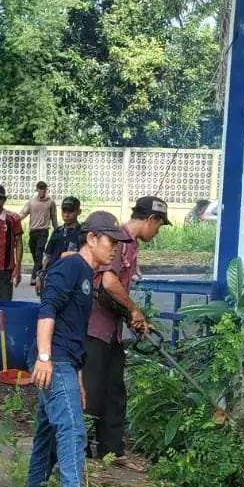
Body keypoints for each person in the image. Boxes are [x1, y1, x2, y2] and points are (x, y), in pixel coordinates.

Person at [21, 211, 129, 487]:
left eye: (118, 244)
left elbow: (74, 332)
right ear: (91, 238)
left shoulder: (85, 273)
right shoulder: (71, 267)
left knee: (48, 438)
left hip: (66, 360)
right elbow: (47, 309)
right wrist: (44, 357)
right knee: (72, 428)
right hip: (54, 360)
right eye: (110, 242)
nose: (115, 249)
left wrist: (79, 379)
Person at [85, 196, 169, 467]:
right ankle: (80, 452)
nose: (157, 232)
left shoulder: (130, 244)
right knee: (91, 392)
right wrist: (134, 310)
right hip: (94, 328)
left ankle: (112, 451)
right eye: (159, 225)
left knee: (114, 391)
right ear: (150, 220)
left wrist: (130, 317)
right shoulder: (118, 240)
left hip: (112, 330)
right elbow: (108, 282)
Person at [18, 181, 57, 280]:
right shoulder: (31, 202)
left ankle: (34, 277)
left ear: (46, 190)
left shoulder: (51, 202)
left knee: (39, 253)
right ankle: (41, 270)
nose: (42, 191)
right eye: (40, 189)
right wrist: (13, 220)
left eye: (44, 189)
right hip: (33, 232)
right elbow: (23, 214)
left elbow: (54, 218)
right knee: (35, 253)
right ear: (37, 190)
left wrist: (57, 231)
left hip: (43, 231)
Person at [46, 197, 83, 265]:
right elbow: (48, 255)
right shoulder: (57, 231)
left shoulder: (82, 233)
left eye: (71, 211)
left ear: (79, 211)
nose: (66, 215)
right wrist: (44, 269)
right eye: (64, 211)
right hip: (54, 269)